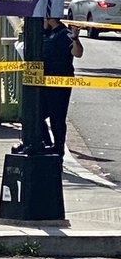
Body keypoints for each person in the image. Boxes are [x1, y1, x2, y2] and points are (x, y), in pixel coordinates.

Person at [39, 16, 83, 157]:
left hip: (60, 82)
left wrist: (75, 39)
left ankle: (58, 150)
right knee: (34, 115)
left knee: (57, 118)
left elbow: (78, 53)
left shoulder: (64, 34)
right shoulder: (43, 33)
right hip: (41, 82)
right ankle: (46, 144)